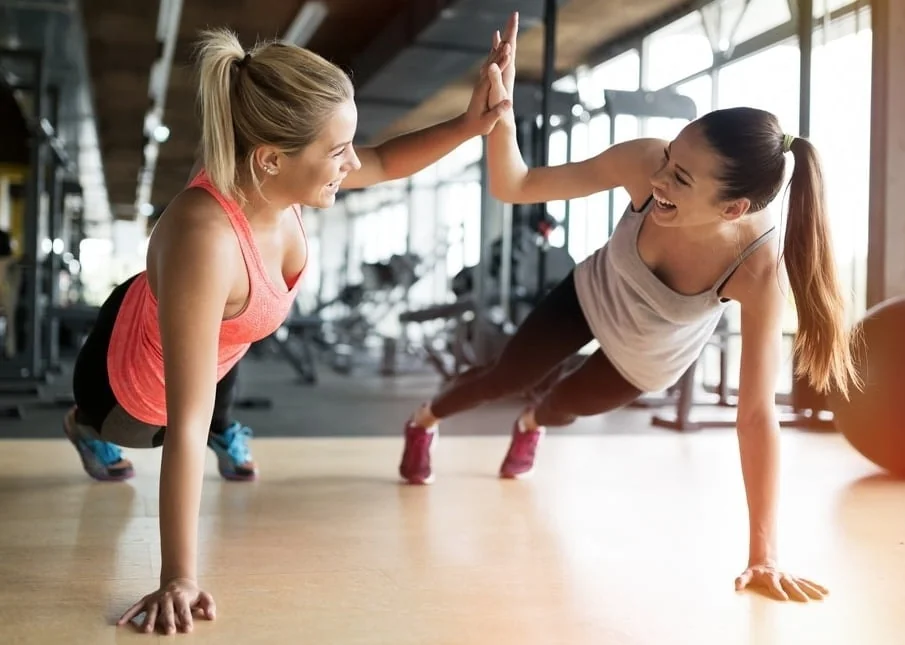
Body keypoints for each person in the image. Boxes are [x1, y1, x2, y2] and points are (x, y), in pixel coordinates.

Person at [63, 27, 513, 634]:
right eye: (338, 151)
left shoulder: (281, 176)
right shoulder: (207, 240)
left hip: (217, 334)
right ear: (270, 157)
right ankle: (83, 427)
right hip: (126, 379)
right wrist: (178, 575)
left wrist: (470, 124)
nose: (352, 162)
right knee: (151, 433)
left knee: (217, 378)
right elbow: (185, 423)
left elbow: (381, 162)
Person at [398, 13, 855, 603]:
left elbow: (757, 415)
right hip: (592, 294)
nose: (659, 176)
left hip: (648, 357)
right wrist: (500, 117)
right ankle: (423, 421)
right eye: (670, 157)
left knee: (557, 408)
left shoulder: (759, 272)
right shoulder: (646, 164)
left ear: (734, 210)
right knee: (505, 376)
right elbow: (516, 186)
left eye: (680, 178)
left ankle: (530, 425)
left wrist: (763, 555)